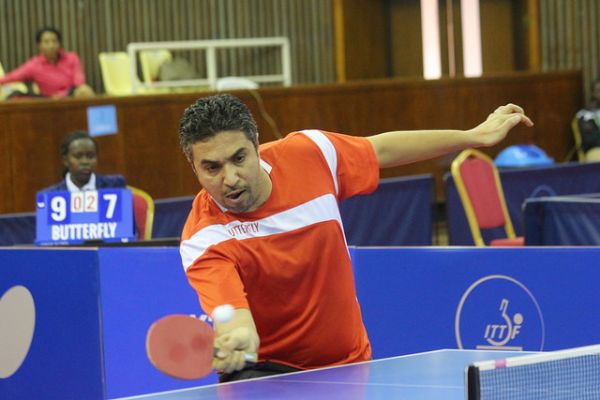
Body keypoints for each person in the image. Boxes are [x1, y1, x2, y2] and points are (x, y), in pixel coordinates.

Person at [178, 94, 534, 382]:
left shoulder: (310, 154)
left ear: (256, 144)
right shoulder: (204, 238)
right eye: (212, 167)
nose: (230, 178)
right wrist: (241, 338)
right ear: (194, 167)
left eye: (239, 158)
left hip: (349, 366)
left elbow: (381, 150)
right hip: (266, 375)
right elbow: (235, 319)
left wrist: (473, 135)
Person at [0, 27, 95, 99]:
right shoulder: (34, 65)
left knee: (84, 90)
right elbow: (13, 76)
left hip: (71, 96)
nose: (51, 45)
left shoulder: (72, 58)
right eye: (46, 42)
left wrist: (62, 95)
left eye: (54, 41)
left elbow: (79, 81)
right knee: (15, 97)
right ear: (39, 45)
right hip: (48, 100)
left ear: (59, 43)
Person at [42, 130, 125, 192]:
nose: (85, 162)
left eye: (90, 156)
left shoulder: (115, 185)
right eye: (78, 157)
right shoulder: (50, 195)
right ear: (65, 160)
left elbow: (126, 210)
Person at [574, 79, 600, 161]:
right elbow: (589, 141)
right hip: (595, 149)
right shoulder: (586, 115)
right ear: (593, 93)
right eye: (599, 91)